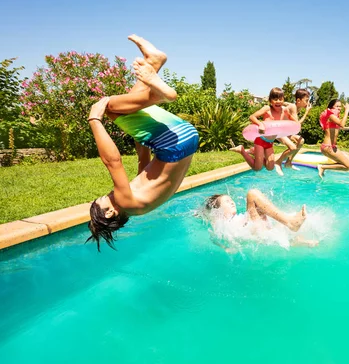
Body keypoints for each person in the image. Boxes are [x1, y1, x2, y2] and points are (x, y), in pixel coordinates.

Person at [87, 35, 199, 250]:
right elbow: (113, 162)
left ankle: (154, 62)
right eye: (101, 199)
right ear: (111, 212)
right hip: (172, 145)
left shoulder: (140, 206)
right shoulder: (125, 201)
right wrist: (94, 120)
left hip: (185, 140)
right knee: (109, 107)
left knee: (128, 108)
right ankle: (159, 94)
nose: (106, 195)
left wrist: (139, 135)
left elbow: (143, 163)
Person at [204, 189, 318, 249]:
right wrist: (225, 248)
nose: (232, 202)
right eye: (227, 202)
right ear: (218, 210)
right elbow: (214, 236)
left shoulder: (237, 217)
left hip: (253, 230)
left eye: (231, 199)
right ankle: (290, 223)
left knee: (275, 224)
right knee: (252, 194)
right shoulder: (220, 221)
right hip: (251, 230)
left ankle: (297, 241)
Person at [230, 87, 294, 171]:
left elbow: (292, 122)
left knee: (270, 167)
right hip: (261, 140)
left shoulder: (284, 112)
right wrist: (260, 124)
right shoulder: (267, 109)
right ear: (270, 100)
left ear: (283, 100)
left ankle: (253, 152)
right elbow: (252, 117)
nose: (278, 101)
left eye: (280, 99)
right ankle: (242, 150)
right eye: (275, 99)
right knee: (257, 168)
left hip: (270, 142)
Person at [274, 88, 312, 175]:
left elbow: (287, 104)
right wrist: (306, 113)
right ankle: (278, 162)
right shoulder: (293, 107)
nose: (307, 102)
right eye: (306, 100)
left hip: (284, 130)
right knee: (292, 147)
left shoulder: (295, 106)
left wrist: (284, 103)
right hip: (277, 130)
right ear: (298, 100)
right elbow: (297, 125)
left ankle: (288, 162)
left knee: (301, 141)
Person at [317, 99, 349, 179]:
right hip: (328, 147)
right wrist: (347, 110)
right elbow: (342, 124)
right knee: (348, 166)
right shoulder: (331, 115)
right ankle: (322, 167)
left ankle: (323, 167)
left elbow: (338, 128)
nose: (339, 108)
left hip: (331, 147)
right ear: (331, 107)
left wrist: (347, 127)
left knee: (346, 165)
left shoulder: (333, 118)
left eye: (340, 106)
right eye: (337, 106)